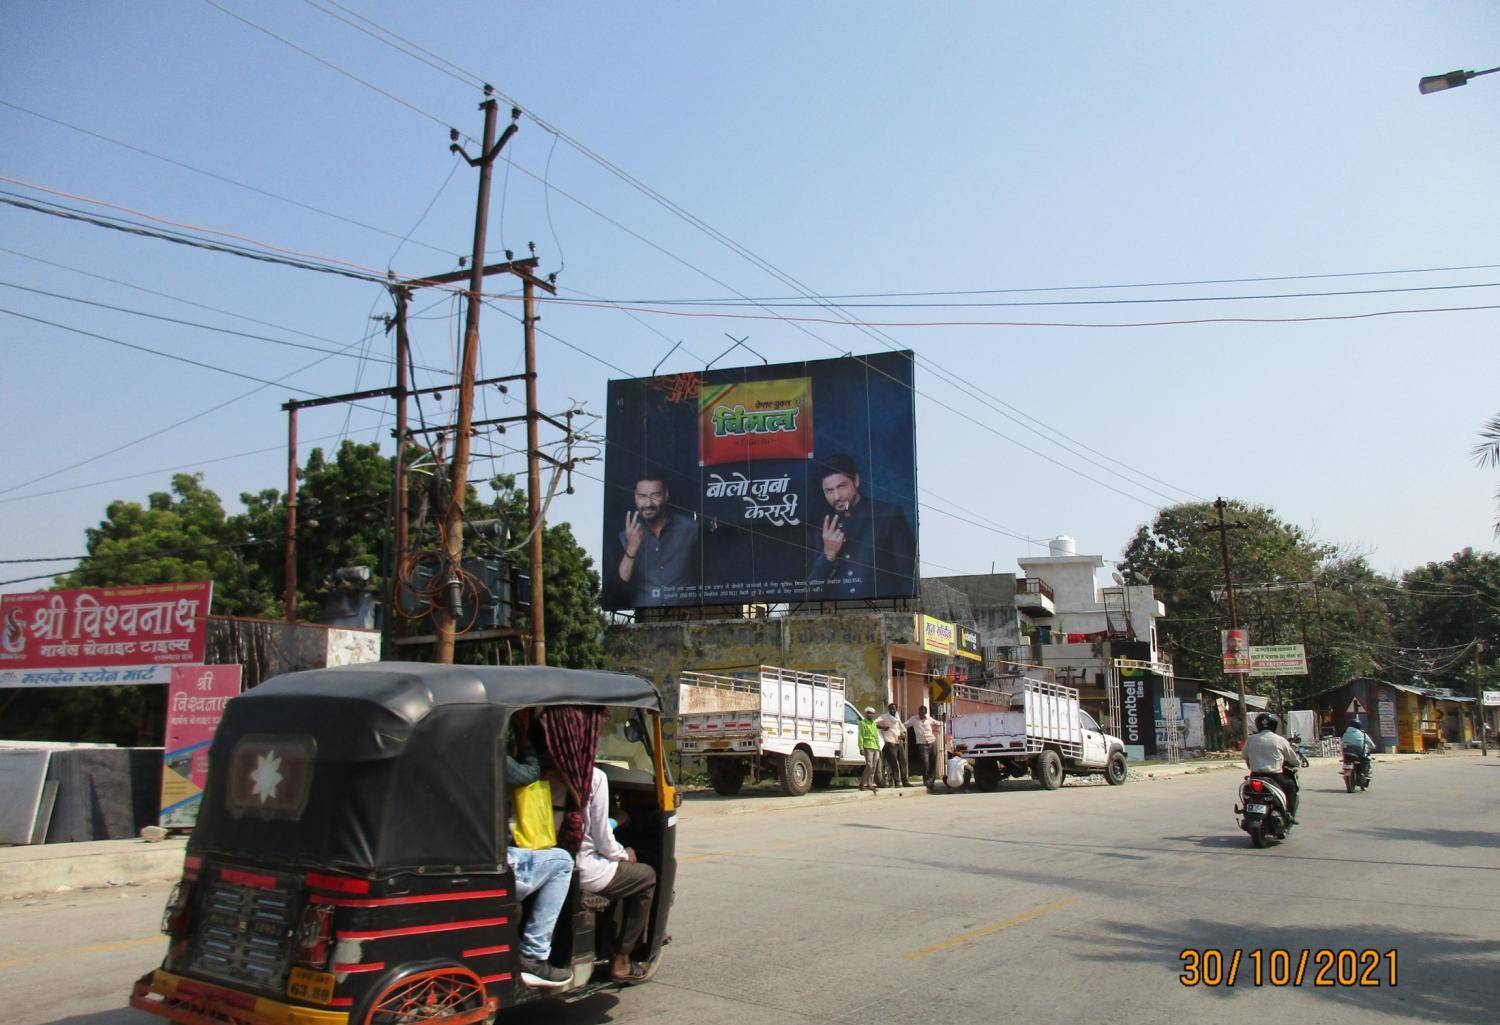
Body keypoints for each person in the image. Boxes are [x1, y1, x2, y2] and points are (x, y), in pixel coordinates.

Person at [504, 719, 574, 988]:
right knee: (562, 861)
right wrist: (523, 735)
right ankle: (533, 955)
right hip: (491, 860)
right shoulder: (489, 750)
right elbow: (530, 772)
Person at [578, 762, 658, 984]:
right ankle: (622, 960)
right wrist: (624, 854)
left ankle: (606, 942)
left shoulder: (543, 771)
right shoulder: (592, 776)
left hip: (559, 861)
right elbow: (602, 839)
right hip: (586, 867)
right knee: (646, 875)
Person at [806, 453, 917, 599]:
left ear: (856, 481)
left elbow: (909, 575)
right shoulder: (821, 528)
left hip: (884, 609)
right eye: (829, 491)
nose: (836, 496)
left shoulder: (888, 514)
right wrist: (828, 555)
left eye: (842, 486)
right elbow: (810, 591)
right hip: (838, 616)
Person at [615, 476, 698, 607]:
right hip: (645, 615)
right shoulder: (626, 534)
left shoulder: (691, 529)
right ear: (636, 498)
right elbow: (623, 579)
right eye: (642, 496)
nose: (648, 503)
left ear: (666, 495)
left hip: (688, 613)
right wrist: (632, 548)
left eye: (655, 496)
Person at [1243, 712, 1304, 823]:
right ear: (1274, 725)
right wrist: (1297, 763)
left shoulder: (1251, 739)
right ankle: (1289, 814)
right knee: (1291, 788)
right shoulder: (1279, 740)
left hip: (1255, 776)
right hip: (1275, 777)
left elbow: (1244, 756)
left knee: (1248, 793)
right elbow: (1293, 759)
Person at [874, 701, 909, 787]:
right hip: (889, 742)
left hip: (898, 742)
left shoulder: (897, 718)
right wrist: (882, 727)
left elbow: (903, 729)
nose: (893, 710)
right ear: (888, 709)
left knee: (903, 762)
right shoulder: (884, 717)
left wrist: (903, 734)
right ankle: (897, 782)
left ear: (896, 710)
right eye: (891, 709)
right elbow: (873, 723)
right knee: (894, 763)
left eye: (894, 709)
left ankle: (905, 781)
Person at [905, 705, 940, 786]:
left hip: (932, 742)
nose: (921, 713)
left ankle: (932, 779)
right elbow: (904, 725)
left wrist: (944, 722)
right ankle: (926, 780)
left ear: (925, 712)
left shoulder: (929, 719)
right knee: (925, 763)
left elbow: (938, 723)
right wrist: (901, 732)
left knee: (933, 762)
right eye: (920, 711)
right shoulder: (914, 719)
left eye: (923, 711)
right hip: (922, 745)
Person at [857, 706, 882, 791]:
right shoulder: (862, 723)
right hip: (867, 746)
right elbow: (860, 736)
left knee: (874, 766)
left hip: (875, 746)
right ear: (866, 713)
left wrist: (879, 748)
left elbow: (876, 736)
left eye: (872, 713)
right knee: (869, 765)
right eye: (869, 713)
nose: (871, 715)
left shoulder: (874, 724)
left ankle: (870, 784)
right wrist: (861, 747)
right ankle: (862, 783)